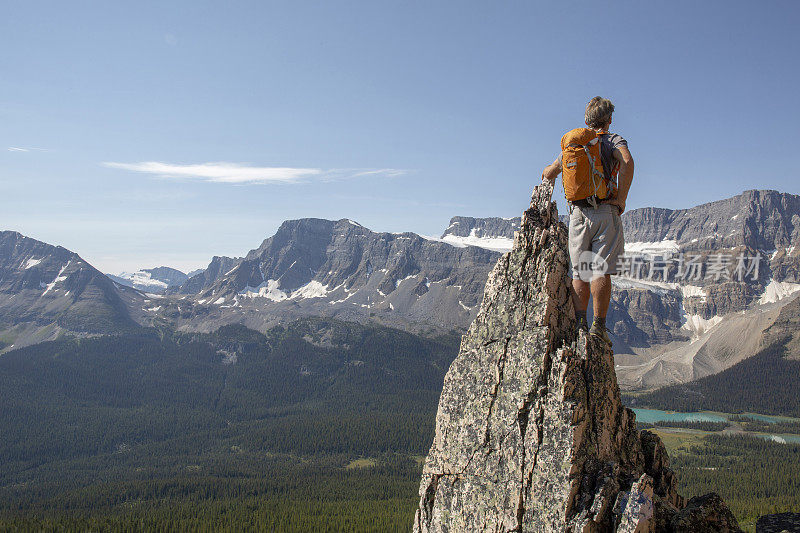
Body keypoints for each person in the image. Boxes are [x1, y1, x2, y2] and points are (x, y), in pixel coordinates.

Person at [541, 97, 634, 344]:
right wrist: (621, 199)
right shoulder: (613, 140)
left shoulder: (575, 144)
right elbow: (626, 161)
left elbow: (550, 171)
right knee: (600, 270)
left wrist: (548, 174)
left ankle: (580, 323)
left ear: (586, 120)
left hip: (578, 214)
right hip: (605, 211)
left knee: (580, 271)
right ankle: (598, 328)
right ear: (610, 120)